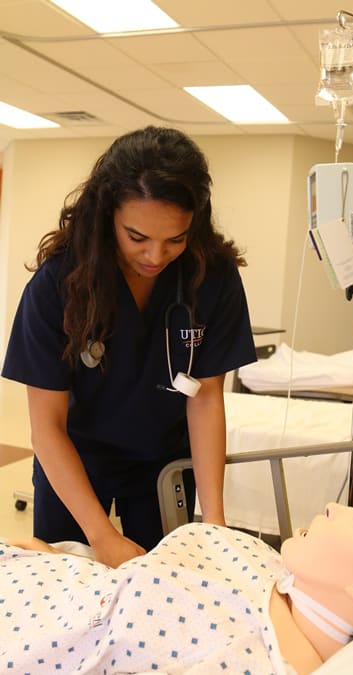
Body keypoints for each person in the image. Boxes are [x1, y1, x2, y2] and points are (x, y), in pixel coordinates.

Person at [1, 125, 256, 566]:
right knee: (70, 582)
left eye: (175, 239)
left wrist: (214, 521)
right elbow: (46, 427)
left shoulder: (212, 276)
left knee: (168, 580)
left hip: (163, 463)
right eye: (137, 237)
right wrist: (101, 536)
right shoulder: (58, 285)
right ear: (106, 215)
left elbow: (207, 397)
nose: (156, 256)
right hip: (75, 458)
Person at [2, 486, 353, 674]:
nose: (335, 508)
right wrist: (59, 562)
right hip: (47, 573)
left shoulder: (246, 658)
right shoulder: (272, 569)